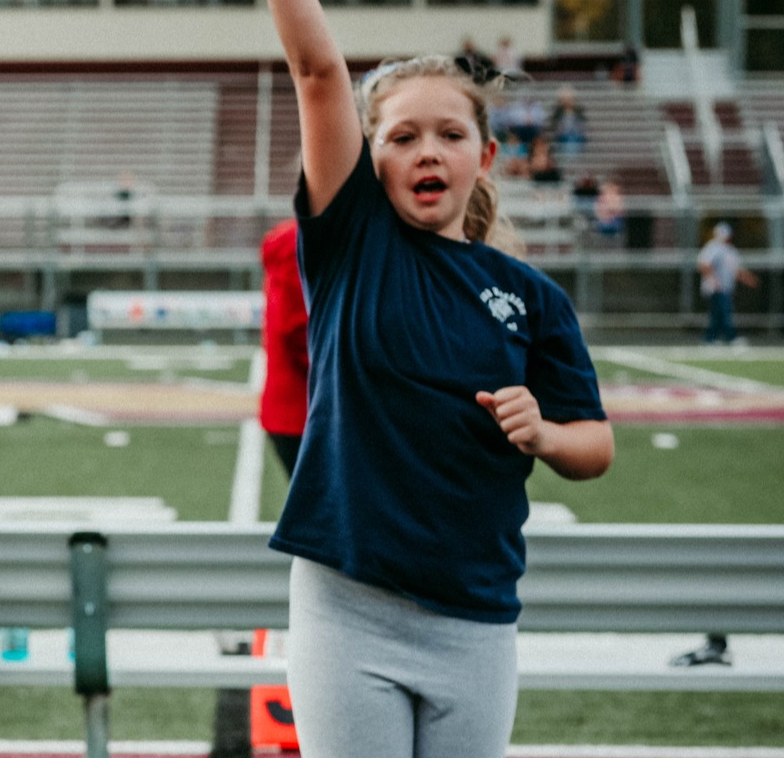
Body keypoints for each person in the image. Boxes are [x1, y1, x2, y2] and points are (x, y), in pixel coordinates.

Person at [268, 1, 616, 755]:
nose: (428, 151)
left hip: (475, 616)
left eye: (451, 135)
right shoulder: (351, 246)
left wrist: (547, 433)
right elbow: (318, 72)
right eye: (402, 137)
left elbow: (596, 445)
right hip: (348, 607)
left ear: (485, 157)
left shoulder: (532, 298)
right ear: (370, 159)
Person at [258, 218, 306, 477]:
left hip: (297, 411)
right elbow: (297, 329)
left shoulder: (295, 239)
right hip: (303, 412)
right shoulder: (298, 242)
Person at [697, 222, 759, 346]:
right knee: (724, 313)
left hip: (725, 287)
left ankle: (710, 339)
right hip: (716, 288)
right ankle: (729, 337)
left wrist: (749, 279)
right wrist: (714, 281)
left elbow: (736, 270)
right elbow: (704, 265)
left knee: (718, 314)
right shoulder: (713, 247)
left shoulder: (730, 250)